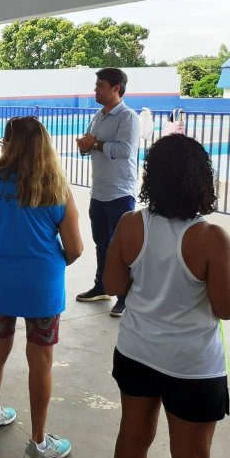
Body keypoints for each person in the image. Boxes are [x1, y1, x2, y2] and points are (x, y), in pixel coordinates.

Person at [103, 134, 230, 458]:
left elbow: (113, 285)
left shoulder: (130, 223)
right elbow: (228, 307)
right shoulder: (212, 237)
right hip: (192, 366)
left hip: (136, 351)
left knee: (133, 439)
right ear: (201, 180)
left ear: (151, 177)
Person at [0, 116, 83, 458]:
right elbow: (75, 248)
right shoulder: (57, 187)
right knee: (40, 360)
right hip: (42, 287)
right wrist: (48, 261)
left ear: (7, 144)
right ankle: (38, 442)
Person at [75, 67, 141, 317]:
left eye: (100, 86)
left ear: (116, 88)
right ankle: (102, 285)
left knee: (121, 246)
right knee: (101, 242)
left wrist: (96, 144)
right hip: (99, 190)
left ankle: (124, 296)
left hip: (120, 192)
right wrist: (85, 146)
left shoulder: (127, 117)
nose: (95, 90)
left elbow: (125, 150)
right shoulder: (99, 116)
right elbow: (91, 143)